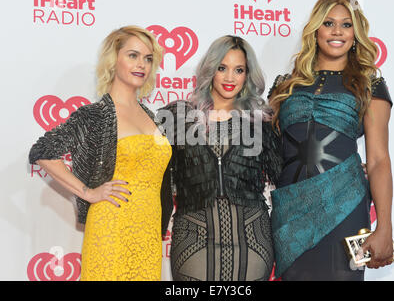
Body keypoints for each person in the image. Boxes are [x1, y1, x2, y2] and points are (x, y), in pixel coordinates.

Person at [268, 0, 394, 281]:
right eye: (328, 23)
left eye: (346, 25)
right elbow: (270, 151)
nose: (337, 31)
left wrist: (384, 226)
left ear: (356, 33)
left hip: (345, 206)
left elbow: (377, 159)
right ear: (315, 31)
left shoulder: (369, 84)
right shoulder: (285, 86)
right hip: (290, 209)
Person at [29, 26, 171, 281]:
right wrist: (88, 192)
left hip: (148, 233)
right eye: (133, 55)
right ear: (113, 59)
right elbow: (43, 151)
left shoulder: (151, 117)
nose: (142, 64)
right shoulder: (97, 114)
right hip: (111, 227)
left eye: (148, 58)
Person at [158, 35, 283, 281]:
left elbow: (286, 173)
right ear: (210, 70)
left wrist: (343, 164)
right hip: (193, 238)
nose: (229, 78)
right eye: (222, 68)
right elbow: (150, 169)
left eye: (239, 70)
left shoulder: (261, 121)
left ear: (248, 75)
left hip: (252, 239)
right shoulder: (178, 116)